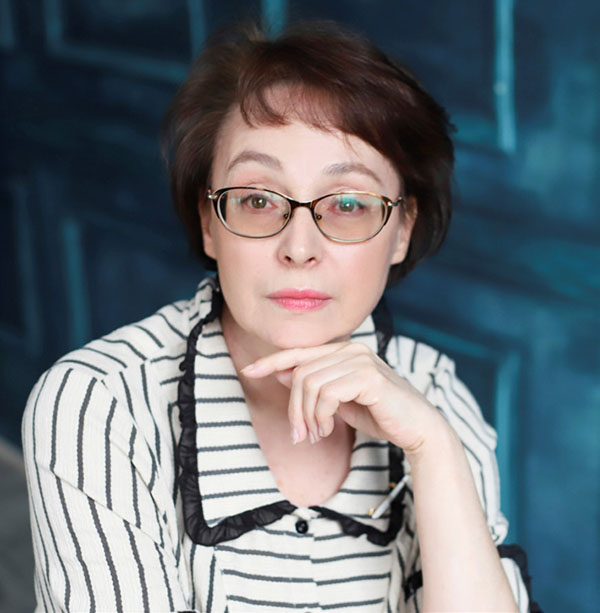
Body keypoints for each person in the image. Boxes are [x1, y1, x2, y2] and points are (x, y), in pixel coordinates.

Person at [21, 20, 540, 613]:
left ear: (402, 230)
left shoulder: (434, 395)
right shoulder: (98, 405)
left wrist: (433, 450)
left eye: (348, 204)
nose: (299, 247)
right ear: (210, 222)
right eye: (258, 199)